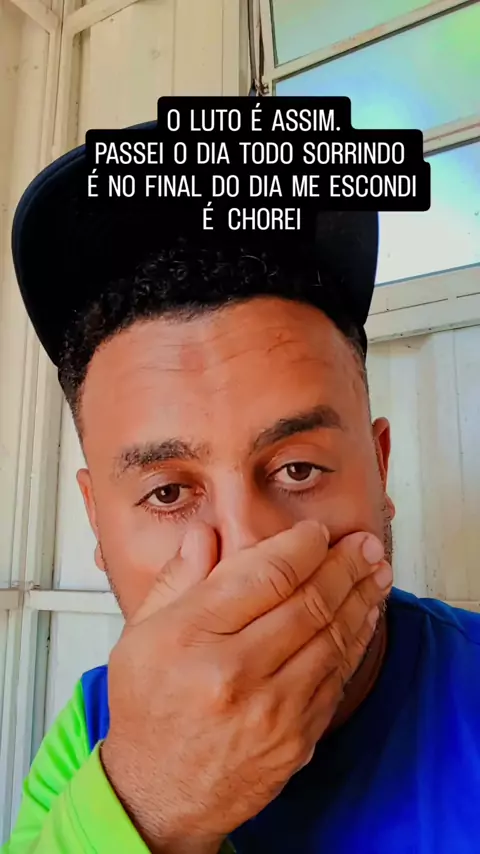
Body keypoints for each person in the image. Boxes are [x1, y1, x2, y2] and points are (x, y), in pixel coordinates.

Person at [4, 123, 480, 854]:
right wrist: (150, 800)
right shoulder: (89, 733)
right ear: (97, 522)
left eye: (299, 469)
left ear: (380, 470)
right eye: (169, 493)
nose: (251, 554)